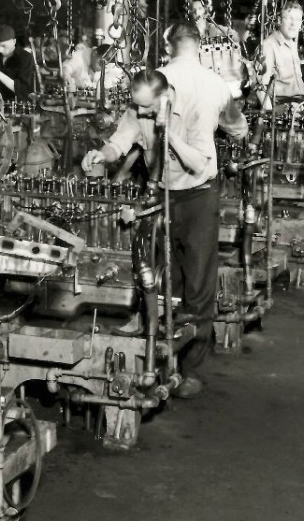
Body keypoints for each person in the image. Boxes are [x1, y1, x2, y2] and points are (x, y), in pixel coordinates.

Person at [81, 44, 248, 399]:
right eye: (137, 105)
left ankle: (193, 368)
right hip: (162, 195)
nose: (140, 112)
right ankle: (162, 353)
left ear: (166, 96)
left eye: (146, 106)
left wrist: (169, 135)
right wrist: (102, 154)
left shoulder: (197, 108)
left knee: (197, 281)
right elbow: (120, 142)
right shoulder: (138, 109)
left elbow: (199, 163)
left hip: (198, 195)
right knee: (164, 276)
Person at [259, 1, 304, 104]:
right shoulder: (269, 45)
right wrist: (269, 111)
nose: (293, 24)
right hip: (281, 107)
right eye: (289, 18)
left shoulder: (292, 44)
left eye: (298, 19)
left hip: (299, 104)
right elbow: (259, 87)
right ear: (280, 20)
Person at [0, 24, 36, 99]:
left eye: (3, 46)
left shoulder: (26, 58)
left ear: (14, 41)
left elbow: (23, 90)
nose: (0, 50)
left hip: (16, 103)